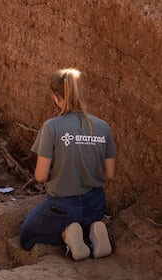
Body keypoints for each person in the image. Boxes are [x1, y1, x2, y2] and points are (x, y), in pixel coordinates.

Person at [19, 68, 116, 261]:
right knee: (86, 216)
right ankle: (92, 230)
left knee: (27, 235)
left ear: (56, 97)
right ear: (81, 93)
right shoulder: (102, 126)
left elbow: (40, 176)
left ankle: (67, 234)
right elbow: (109, 173)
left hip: (62, 206)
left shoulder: (51, 127)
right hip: (96, 204)